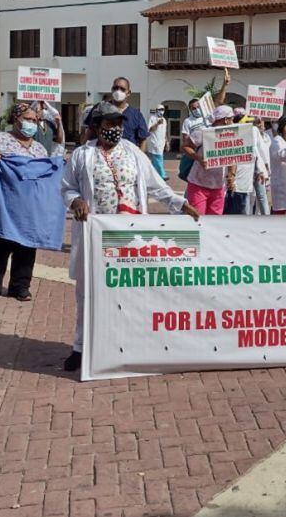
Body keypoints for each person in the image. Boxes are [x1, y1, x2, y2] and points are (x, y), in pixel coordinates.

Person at [62, 102, 200, 372]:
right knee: (87, 292)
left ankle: (128, 344)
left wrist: (180, 204)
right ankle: (80, 347)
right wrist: (76, 200)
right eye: (108, 125)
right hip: (95, 236)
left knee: (128, 292)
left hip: (128, 237)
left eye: (118, 125)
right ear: (96, 127)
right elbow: (67, 187)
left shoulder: (132, 152)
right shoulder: (81, 155)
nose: (114, 130)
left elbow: (156, 186)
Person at [0, 103, 57, 304]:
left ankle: (20, 287)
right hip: (1, 202)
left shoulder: (39, 149)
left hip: (30, 204)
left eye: (34, 120)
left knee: (26, 245)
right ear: (16, 119)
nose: (31, 123)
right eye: (27, 119)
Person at [183, 105, 235, 215]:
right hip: (198, 185)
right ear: (225, 120)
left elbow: (233, 157)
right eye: (231, 119)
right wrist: (199, 159)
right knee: (198, 218)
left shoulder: (232, 135)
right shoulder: (203, 132)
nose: (233, 122)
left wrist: (231, 174)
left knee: (214, 221)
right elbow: (185, 146)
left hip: (218, 187)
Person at [225, 114, 267, 215]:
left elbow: (256, 156)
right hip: (234, 185)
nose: (250, 125)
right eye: (247, 122)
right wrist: (231, 178)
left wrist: (259, 171)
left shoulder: (251, 137)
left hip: (245, 185)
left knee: (245, 211)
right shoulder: (231, 139)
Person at [109, 77, 149, 151]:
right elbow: (90, 132)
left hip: (129, 156)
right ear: (112, 90)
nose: (118, 91)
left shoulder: (136, 115)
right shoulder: (101, 109)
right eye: (115, 88)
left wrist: (140, 156)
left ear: (129, 92)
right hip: (105, 156)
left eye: (122, 89)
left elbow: (143, 140)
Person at [251, 116, 272, 215]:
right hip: (256, 170)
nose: (261, 124)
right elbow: (255, 150)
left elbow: (264, 152)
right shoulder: (253, 131)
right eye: (258, 122)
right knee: (253, 198)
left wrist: (266, 166)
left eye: (262, 121)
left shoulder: (266, 137)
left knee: (262, 198)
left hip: (263, 170)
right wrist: (260, 169)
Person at [146, 104, 168, 179]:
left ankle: (151, 174)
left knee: (155, 160)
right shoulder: (152, 118)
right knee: (158, 158)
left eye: (163, 109)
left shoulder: (164, 120)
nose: (161, 111)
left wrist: (167, 142)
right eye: (160, 109)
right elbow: (150, 129)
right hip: (154, 142)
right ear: (156, 110)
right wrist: (157, 124)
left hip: (162, 142)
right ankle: (162, 175)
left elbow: (164, 132)